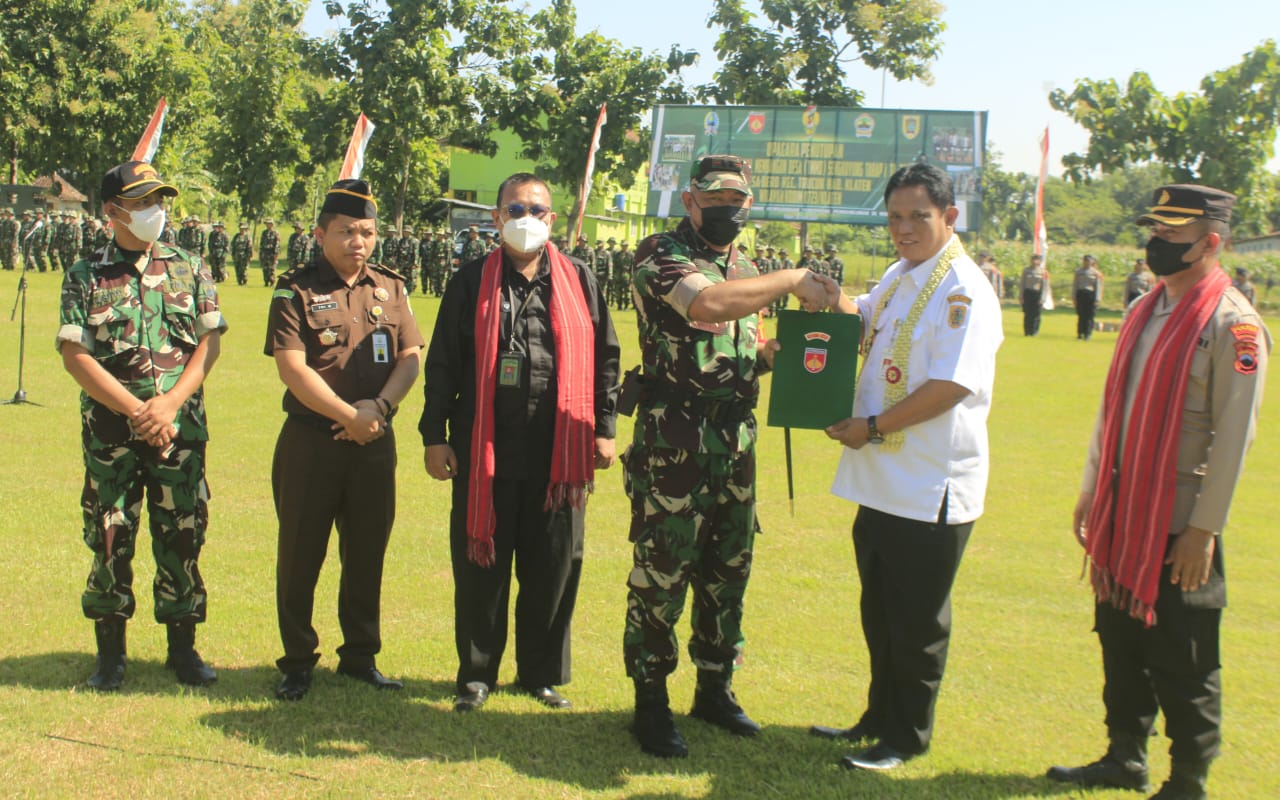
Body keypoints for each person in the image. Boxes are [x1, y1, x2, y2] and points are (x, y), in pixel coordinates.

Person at [1047, 185, 1269, 800]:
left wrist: (1204, 529)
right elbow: (1112, 411)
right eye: (1156, 230)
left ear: (1211, 242)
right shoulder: (1148, 310)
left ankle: (1189, 781)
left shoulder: (1233, 324)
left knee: (1186, 660)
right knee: (1121, 645)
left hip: (1179, 525)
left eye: (1174, 234)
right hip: (1124, 514)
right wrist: (1093, 489)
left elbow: (1233, 437)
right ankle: (1125, 757)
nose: (1157, 243)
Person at [623, 155, 839, 758]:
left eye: (740, 204)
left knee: (728, 573)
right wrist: (793, 278)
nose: (730, 213)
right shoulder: (657, 254)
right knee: (662, 574)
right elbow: (706, 307)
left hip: (735, 441)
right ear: (691, 201)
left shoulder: (744, 265)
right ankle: (650, 702)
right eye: (717, 202)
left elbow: (743, 346)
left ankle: (715, 690)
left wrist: (784, 354)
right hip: (675, 442)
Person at [812, 162, 1004, 771]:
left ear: (949, 217)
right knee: (880, 611)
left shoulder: (962, 289)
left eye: (918, 216)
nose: (903, 229)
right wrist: (819, 292)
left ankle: (906, 736)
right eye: (894, 217)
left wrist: (871, 428)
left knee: (917, 620)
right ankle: (877, 716)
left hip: (929, 484)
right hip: (883, 482)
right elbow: (861, 316)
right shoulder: (902, 275)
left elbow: (951, 384)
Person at [421, 172, 619, 714]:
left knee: (553, 564)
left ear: (552, 219)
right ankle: (477, 674)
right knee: (480, 568)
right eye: (515, 209)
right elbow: (442, 364)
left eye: (537, 210)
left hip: (561, 451)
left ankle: (541, 673)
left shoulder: (579, 279)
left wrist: (605, 428)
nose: (526, 219)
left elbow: (605, 358)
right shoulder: (468, 282)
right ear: (495, 218)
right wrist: (434, 436)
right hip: (485, 449)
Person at [56, 160, 227, 691]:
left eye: (161, 200)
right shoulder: (86, 275)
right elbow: (74, 355)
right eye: (143, 201)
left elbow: (209, 342)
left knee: (182, 535)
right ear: (112, 212)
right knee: (110, 535)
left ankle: (184, 649)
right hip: (113, 437)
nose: (157, 210)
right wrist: (138, 410)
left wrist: (171, 403)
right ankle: (110, 657)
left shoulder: (190, 266)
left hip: (180, 432)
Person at [264, 179, 424, 701]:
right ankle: (296, 661)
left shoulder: (391, 288)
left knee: (366, 553)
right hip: (312, 442)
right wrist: (345, 415)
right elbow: (293, 368)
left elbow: (410, 357)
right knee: (300, 555)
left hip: (374, 440)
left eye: (368, 232)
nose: (359, 242)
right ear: (320, 234)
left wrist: (377, 409)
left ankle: (360, 655)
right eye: (347, 232)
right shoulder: (296, 289)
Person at [1073, 254, 1104, 340]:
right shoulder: (1078, 272)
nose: (1087, 262)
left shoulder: (1096, 273)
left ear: (1092, 262)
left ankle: (1088, 334)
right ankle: (1080, 333)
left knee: (1090, 315)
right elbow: (1075, 285)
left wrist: (1097, 298)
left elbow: (1098, 286)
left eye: (1089, 261)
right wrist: (1074, 296)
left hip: (1091, 294)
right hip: (1081, 294)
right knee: (1081, 315)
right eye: (1085, 261)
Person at [1021, 253, 1049, 336]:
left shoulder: (1043, 272)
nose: (1034, 261)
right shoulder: (1026, 270)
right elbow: (1022, 283)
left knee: (1036, 314)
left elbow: (1045, 286)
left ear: (1040, 261)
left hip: (1037, 294)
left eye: (1037, 259)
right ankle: (1027, 331)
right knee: (1027, 313)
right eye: (1033, 259)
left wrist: (1043, 298)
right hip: (1028, 293)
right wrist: (1021, 295)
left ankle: (1035, 331)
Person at [258, 218, 280, 286]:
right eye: (267, 224)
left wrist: (276, 254)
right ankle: (266, 281)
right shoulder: (264, 233)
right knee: (265, 268)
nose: (268, 225)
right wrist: (260, 253)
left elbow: (277, 244)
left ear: (272, 224)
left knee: (272, 269)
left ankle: (272, 281)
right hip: (265, 254)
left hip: (272, 253)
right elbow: (261, 244)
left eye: (269, 224)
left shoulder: (275, 233)